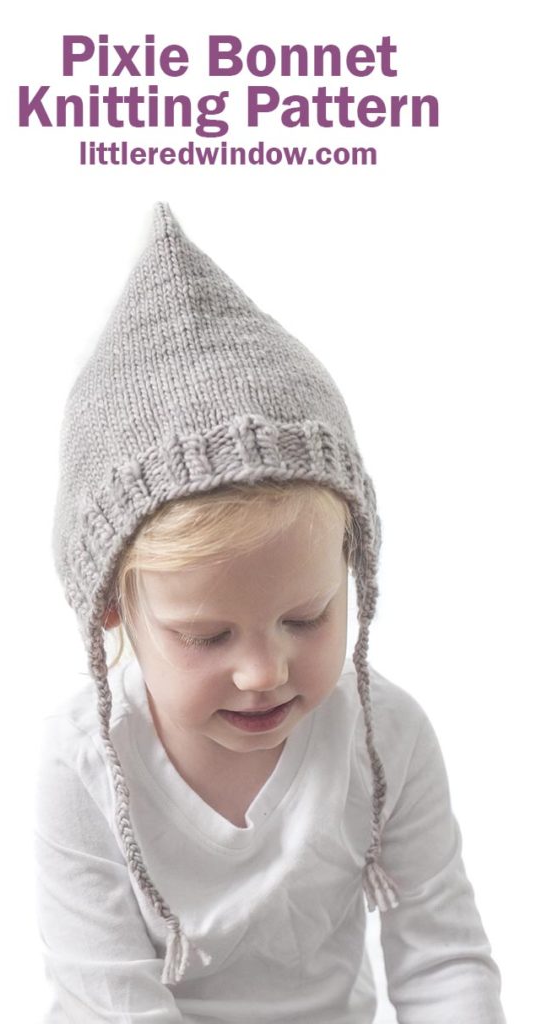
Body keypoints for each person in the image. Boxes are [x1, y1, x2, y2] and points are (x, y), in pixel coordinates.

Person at [36, 202, 506, 1022]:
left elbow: (442, 961)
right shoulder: (86, 765)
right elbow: (109, 999)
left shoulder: (383, 735)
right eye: (207, 636)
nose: (265, 672)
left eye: (307, 617)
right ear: (112, 606)